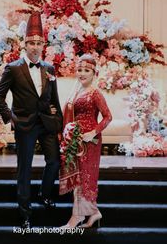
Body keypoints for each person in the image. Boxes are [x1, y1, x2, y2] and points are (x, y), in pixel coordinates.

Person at [0, 11, 62, 229]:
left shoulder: (49, 68)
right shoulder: (13, 68)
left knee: (54, 161)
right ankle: (25, 213)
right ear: (24, 44)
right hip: (24, 124)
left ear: (44, 45)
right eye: (31, 42)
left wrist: (57, 121)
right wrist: (10, 118)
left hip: (46, 123)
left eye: (38, 43)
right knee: (25, 168)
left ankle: (43, 192)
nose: (35, 46)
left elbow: (54, 98)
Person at [59, 54, 112, 228]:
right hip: (76, 141)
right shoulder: (76, 91)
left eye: (86, 70)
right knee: (79, 176)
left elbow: (107, 117)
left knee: (85, 177)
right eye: (79, 70)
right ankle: (93, 212)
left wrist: (93, 132)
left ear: (94, 73)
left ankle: (77, 217)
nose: (82, 73)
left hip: (90, 142)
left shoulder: (95, 93)